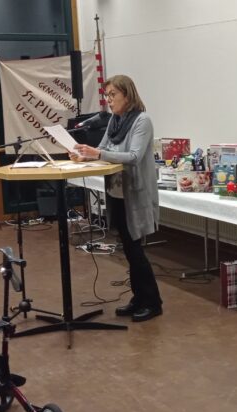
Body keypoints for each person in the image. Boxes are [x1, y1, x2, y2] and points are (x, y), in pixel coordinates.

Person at [71, 75, 163, 322]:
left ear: (127, 95)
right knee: (128, 249)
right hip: (116, 193)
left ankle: (153, 302)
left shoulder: (142, 121)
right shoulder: (115, 121)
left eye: (113, 95)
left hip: (135, 194)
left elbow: (133, 156)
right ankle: (139, 298)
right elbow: (103, 149)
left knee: (135, 250)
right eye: (107, 95)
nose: (109, 100)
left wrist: (97, 153)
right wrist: (84, 155)